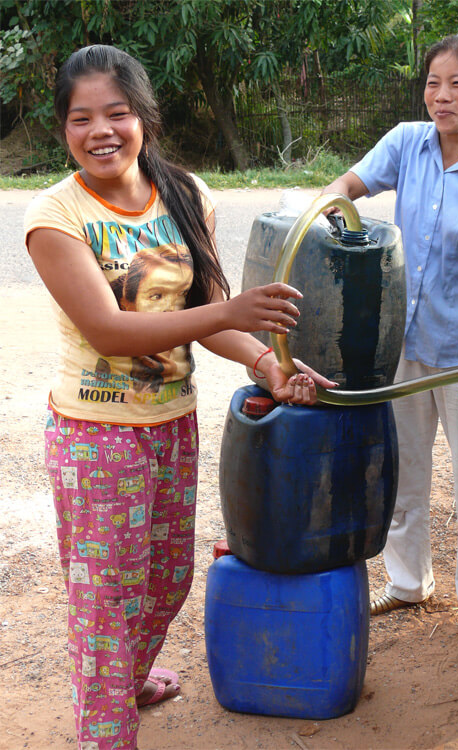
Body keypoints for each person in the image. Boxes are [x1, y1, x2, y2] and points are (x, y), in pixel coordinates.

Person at [24, 44, 334, 750]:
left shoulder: (188, 194)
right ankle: (107, 733)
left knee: (166, 581)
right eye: (81, 119)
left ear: (144, 118)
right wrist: (230, 317)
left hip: (171, 424)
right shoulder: (54, 215)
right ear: (62, 130)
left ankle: (128, 678)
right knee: (106, 604)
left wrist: (265, 364)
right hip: (96, 435)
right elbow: (109, 328)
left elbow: (212, 308)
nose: (101, 131)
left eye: (117, 113)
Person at [323, 33, 458, 662]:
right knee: (401, 477)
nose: (442, 97)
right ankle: (408, 582)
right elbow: (347, 187)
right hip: (403, 350)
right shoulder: (407, 143)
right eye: (433, 83)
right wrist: (334, 216)